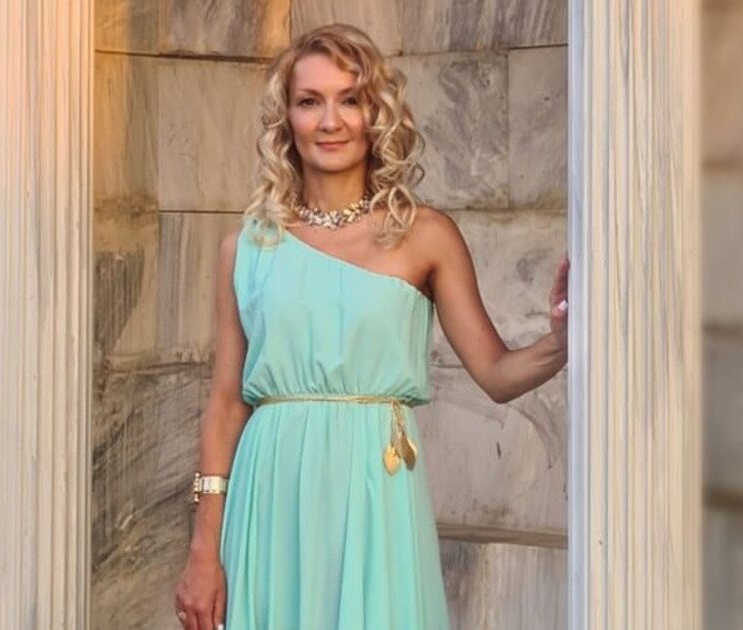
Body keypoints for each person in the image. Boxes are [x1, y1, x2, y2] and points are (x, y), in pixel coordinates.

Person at [172, 23, 569, 630]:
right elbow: (226, 406)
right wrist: (204, 549)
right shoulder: (246, 248)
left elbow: (496, 373)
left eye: (350, 99)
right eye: (310, 101)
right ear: (286, 119)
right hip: (271, 495)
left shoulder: (424, 236)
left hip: (375, 492)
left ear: (375, 114)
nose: (330, 121)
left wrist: (562, 342)